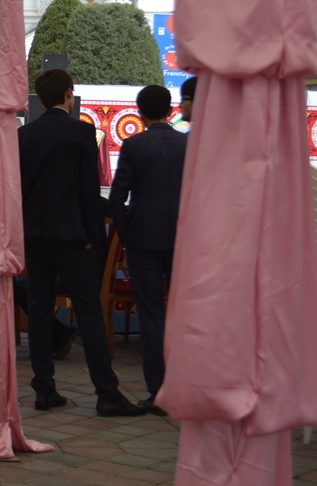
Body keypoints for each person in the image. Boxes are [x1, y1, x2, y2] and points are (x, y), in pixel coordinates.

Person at [18, 69, 144, 417]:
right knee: (89, 312)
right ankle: (107, 393)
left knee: (39, 311)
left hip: (34, 236)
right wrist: (91, 235)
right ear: (68, 94)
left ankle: (44, 388)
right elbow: (89, 189)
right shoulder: (82, 132)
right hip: (72, 235)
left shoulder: (23, 135)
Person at [107, 85, 187, 416]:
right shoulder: (189, 145)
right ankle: (187, 389)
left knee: (152, 315)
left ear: (139, 113)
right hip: (184, 241)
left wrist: (127, 236)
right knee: (185, 314)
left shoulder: (133, 145)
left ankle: (159, 393)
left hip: (143, 240)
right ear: (171, 111)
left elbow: (117, 199)